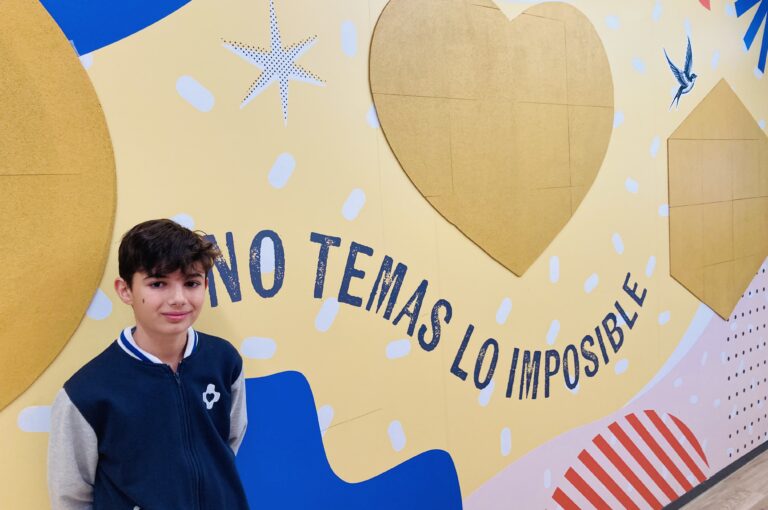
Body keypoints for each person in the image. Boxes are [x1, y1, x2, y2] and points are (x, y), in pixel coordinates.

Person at [48, 219, 250, 509]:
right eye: (158, 284)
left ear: (205, 285)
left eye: (191, 283)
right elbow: (71, 497)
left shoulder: (224, 360)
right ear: (125, 290)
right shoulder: (86, 394)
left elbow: (228, 442)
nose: (178, 299)